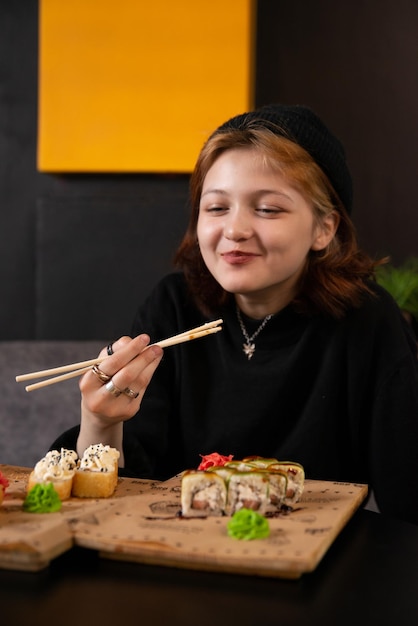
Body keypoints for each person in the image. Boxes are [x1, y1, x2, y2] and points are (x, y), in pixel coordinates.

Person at [51, 104, 418, 525]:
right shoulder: (174, 307)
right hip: (175, 556)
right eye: (216, 207)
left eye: (267, 209)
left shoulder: (367, 322)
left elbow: (408, 505)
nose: (234, 230)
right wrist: (99, 421)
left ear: (324, 228)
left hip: (316, 573)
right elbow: (116, 494)